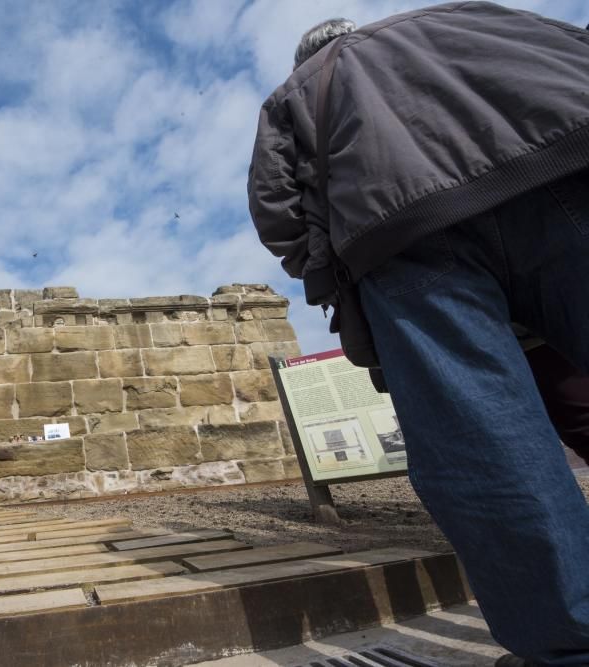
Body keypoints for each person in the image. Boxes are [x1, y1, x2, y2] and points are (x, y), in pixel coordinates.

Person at [247, 5, 589, 665]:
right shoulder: (460, 17)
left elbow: (278, 212)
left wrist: (331, 270)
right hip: (555, 170)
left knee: (484, 440)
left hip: (403, 236)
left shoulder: (296, 94)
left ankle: (569, 640)